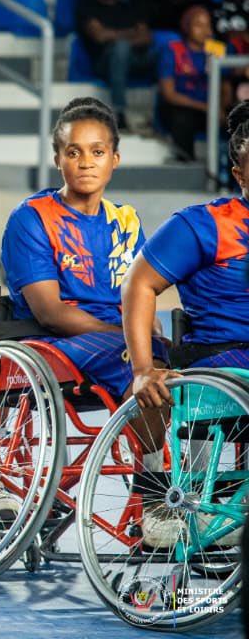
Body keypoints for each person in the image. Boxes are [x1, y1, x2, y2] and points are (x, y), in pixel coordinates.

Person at [1, 97, 172, 544]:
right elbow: (50, 313)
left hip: (112, 342)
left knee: (179, 359)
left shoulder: (126, 220)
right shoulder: (31, 218)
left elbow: (142, 295)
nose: (85, 162)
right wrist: (130, 337)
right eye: (73, 151)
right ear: (57, 157)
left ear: (115, 159)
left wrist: (143, 329)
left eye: (97, 152)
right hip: (54, 344)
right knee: (147, 363)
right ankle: (155, 500)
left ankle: (174, 485)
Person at [120, 101, 249, 549]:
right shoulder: (206, 225)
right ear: (239, 172)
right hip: (221, 357)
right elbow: (139, 286)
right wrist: (141, 369)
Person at [76, 0, 156, 130]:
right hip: (103, 62)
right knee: (120, 48)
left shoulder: (130, 6)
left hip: (134, 59)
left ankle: (161, 117)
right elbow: (99, 35)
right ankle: (119, 112)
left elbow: (146, 37)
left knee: (167, 51)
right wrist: (129, 34)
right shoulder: (87, 5)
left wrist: (115, 36)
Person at [157, 4, 224, 163]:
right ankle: (186, 164)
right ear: (187, 27)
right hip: (181, 108)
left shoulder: (216, 49)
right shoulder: (172, 49)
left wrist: (220, 107)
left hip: (210, 108)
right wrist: (205, 107)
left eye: (207, 25)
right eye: (198, 25)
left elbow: (225, 85)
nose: (205, 30)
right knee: (182, 118)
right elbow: (169, 94)